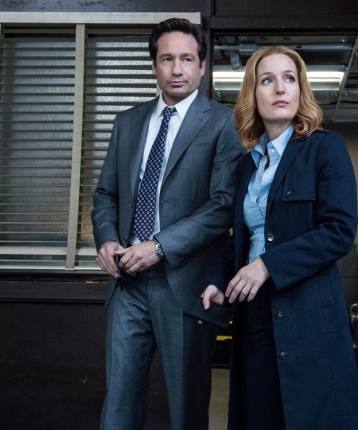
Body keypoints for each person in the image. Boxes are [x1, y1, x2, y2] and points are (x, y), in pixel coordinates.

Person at [201, 46, 358, 430]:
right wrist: (218, 281)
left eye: (289, 78)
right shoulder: (246, 167)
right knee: (260, 416)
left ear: (300, 90)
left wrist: (267, 266)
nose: (280, 88)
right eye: (267, 80)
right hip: (253, 313)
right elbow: (240, 239)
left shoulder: (325, 148)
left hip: (307, 315)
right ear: (253, 94)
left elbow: (340, 231)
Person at [92, 18, 243, 430]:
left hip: (185, 284)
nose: (178, 69)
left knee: (186, 410)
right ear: (154, 66)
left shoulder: (223, 122)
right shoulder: (128, 122)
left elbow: (223, 205)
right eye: (167, 59)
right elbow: (106, 194)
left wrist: (159, 246)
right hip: (126, 282)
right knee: (118, 405)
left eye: (187, 59)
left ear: (203, 66)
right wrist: (106, 239)